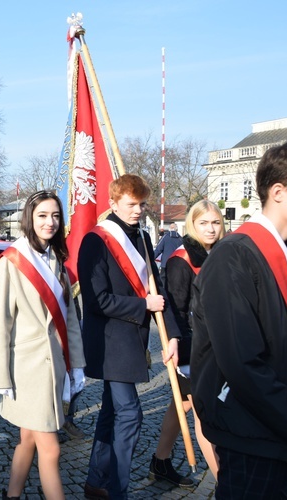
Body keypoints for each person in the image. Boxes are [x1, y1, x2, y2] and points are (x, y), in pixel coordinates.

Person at [191, 140, 287, 498]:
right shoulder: (233, 257)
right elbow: (242, 363)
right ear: (279, 192)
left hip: (283, 430)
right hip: (253, 436)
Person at [78, 174, 181, 500]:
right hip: (110, 343)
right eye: (130, 204)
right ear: (114, 203)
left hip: (132, 343)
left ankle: (97, 481)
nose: (137, 210)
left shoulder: (143, 238)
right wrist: (142, 305)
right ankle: (117, 490)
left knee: (110, 413)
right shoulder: (96, 240)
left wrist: (173, 335)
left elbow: (158, 290)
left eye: (141, 204)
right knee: (130, 414)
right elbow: (96, 300)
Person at [0, 191, 85, 500]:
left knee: (28, 438)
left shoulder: (58, 258)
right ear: (30, 217)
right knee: (51, 448)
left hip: (54, 364)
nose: (50, 222)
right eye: (43, 215)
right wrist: (0, 375)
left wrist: (77, 364)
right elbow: (1, 322)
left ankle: (12, 495)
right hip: (26, 368)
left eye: (55, 215)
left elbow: (69, 318)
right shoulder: (13, 260)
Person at [149, 201, 225, 486]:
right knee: (204, 416)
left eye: (215, 222)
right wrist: (177, 345)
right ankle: (225, 483)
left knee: (179, 405)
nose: (210, 228)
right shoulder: (181, 259)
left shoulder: (221, 253)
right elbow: (175, 310)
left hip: (218, 346)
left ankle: (160, 461)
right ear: (192, 224)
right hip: (193, 349)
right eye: (204, 223)